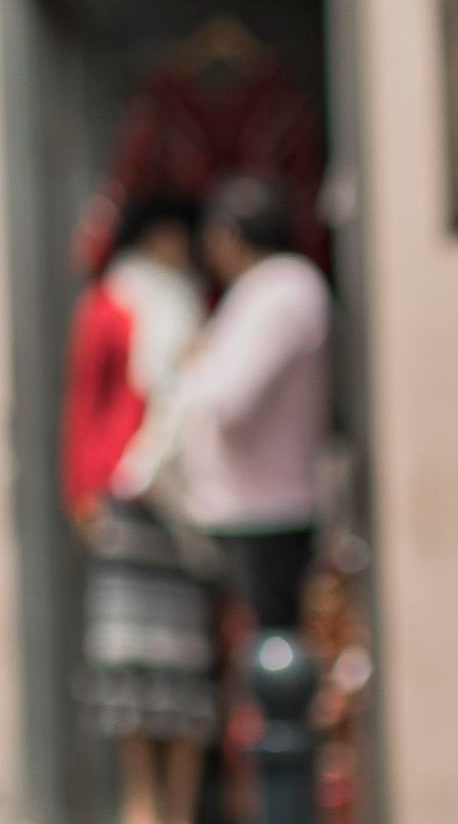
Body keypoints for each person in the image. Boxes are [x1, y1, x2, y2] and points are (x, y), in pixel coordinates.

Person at [63, 196, 217, 824]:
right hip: (126, 488)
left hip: (184, 497)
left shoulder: (198, 305)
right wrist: (82, 487)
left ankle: (182, 809)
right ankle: (141, 805)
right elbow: (85, 401)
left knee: (187, 656)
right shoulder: (108, 305)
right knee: (129, 657)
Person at [126, 175, 338, 641]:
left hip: (269, 508)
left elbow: (227, 399)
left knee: (276, 651)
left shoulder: (282, 291)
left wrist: (196, 365)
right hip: (245, 506)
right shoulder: (264, 291)